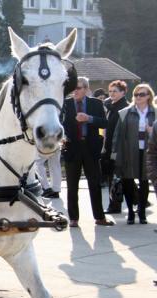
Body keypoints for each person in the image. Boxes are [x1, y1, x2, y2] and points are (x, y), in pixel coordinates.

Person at [62, 76, 112, 227]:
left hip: (90, 148)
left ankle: (99, 217)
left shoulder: (96, 103)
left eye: (78, 88)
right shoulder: (65, 104)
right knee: (72, 186)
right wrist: (62, 137)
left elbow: (105, 123)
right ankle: (73, 218)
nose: (74, 91)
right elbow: (59, 124)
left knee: (95, 184)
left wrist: (89, 118)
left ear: (86, 89)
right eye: (73, 88)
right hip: (72, 148)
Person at [112, 83, 155, 225]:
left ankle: (142, 212)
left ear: (149, 96)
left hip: (148, 152)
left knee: (144, 182)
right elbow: (117, 135)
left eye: (141, 94)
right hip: (128, 151)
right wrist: (115, 154)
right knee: (128, 182)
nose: (138, 97)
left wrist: (152, 132)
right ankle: (130, 211)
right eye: (136, 94)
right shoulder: (125, 112)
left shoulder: (154, 112)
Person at [102, 80, 130, 214]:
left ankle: (115, 205)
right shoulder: (111, 106)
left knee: (116, 178)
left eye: (115, 91)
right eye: (110, 91)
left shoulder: (124, 108)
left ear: (123, 92)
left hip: (118, 148)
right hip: (109, 146)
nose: (112, 93)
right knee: (114, 177)